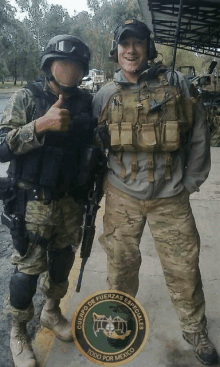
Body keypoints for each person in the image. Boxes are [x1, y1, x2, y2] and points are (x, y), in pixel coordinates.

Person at [93, 19, 219, 365]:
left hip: (170, 198)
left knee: (184, 268)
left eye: (137, 43)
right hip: (122, 197)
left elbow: (199, 133)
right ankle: (118, 319)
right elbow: (91, 147)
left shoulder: (176, 83)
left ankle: (195, 329)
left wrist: (192, 181)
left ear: (148, 48)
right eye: (124, 44)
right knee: (120, 266)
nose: (131, 50)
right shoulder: (104, 94)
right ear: (116, 50)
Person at [0, 35, 97, 367]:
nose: (68, 72)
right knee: (26, 274)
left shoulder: (87, 102)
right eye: (62, 64)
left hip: (71, 204)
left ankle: (51, 312)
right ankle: (18, 331)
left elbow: (96, 145)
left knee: (61, 264)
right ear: (48, 66)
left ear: (83, 71)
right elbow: (1, 146)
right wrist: (40, 125)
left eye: (75, 67)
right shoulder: (27, 97)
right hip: (33, 204)